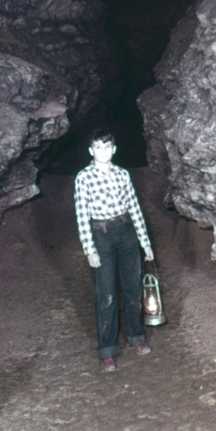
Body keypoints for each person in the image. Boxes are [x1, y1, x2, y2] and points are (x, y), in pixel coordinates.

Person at [74, 129, 155, 372]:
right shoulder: (84, 178)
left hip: (127, 231)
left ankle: (137, 337)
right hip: (102, 235)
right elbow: (81, 217)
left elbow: (135, 208)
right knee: (106, 295)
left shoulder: (123, 175)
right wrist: (90, 249)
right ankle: (107, 351)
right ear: (91, 151)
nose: (103, 151)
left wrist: (145, 241)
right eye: (98, 147)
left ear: (114, 149)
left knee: (133, 289)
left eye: (107, 147)